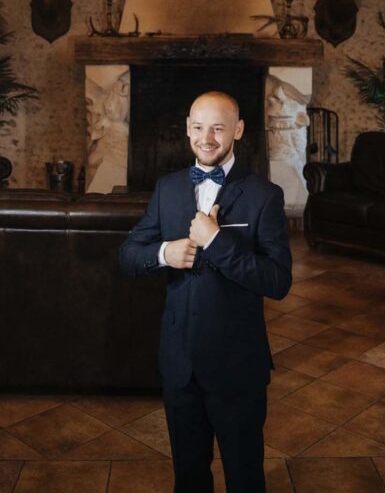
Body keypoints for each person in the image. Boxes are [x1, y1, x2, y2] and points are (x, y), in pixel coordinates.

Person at [118, 90, 292, 493]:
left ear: (238, 129)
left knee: (244, 475)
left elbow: (278, 281)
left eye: (218, 127)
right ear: (187, 129)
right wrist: (164, 252)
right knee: (189, 475)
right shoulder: (167, 189)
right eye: (198, 127)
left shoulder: (265, 196)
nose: (207, 137)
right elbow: (127, 255)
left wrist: (217, 243)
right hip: (179, 362)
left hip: (237, 365)